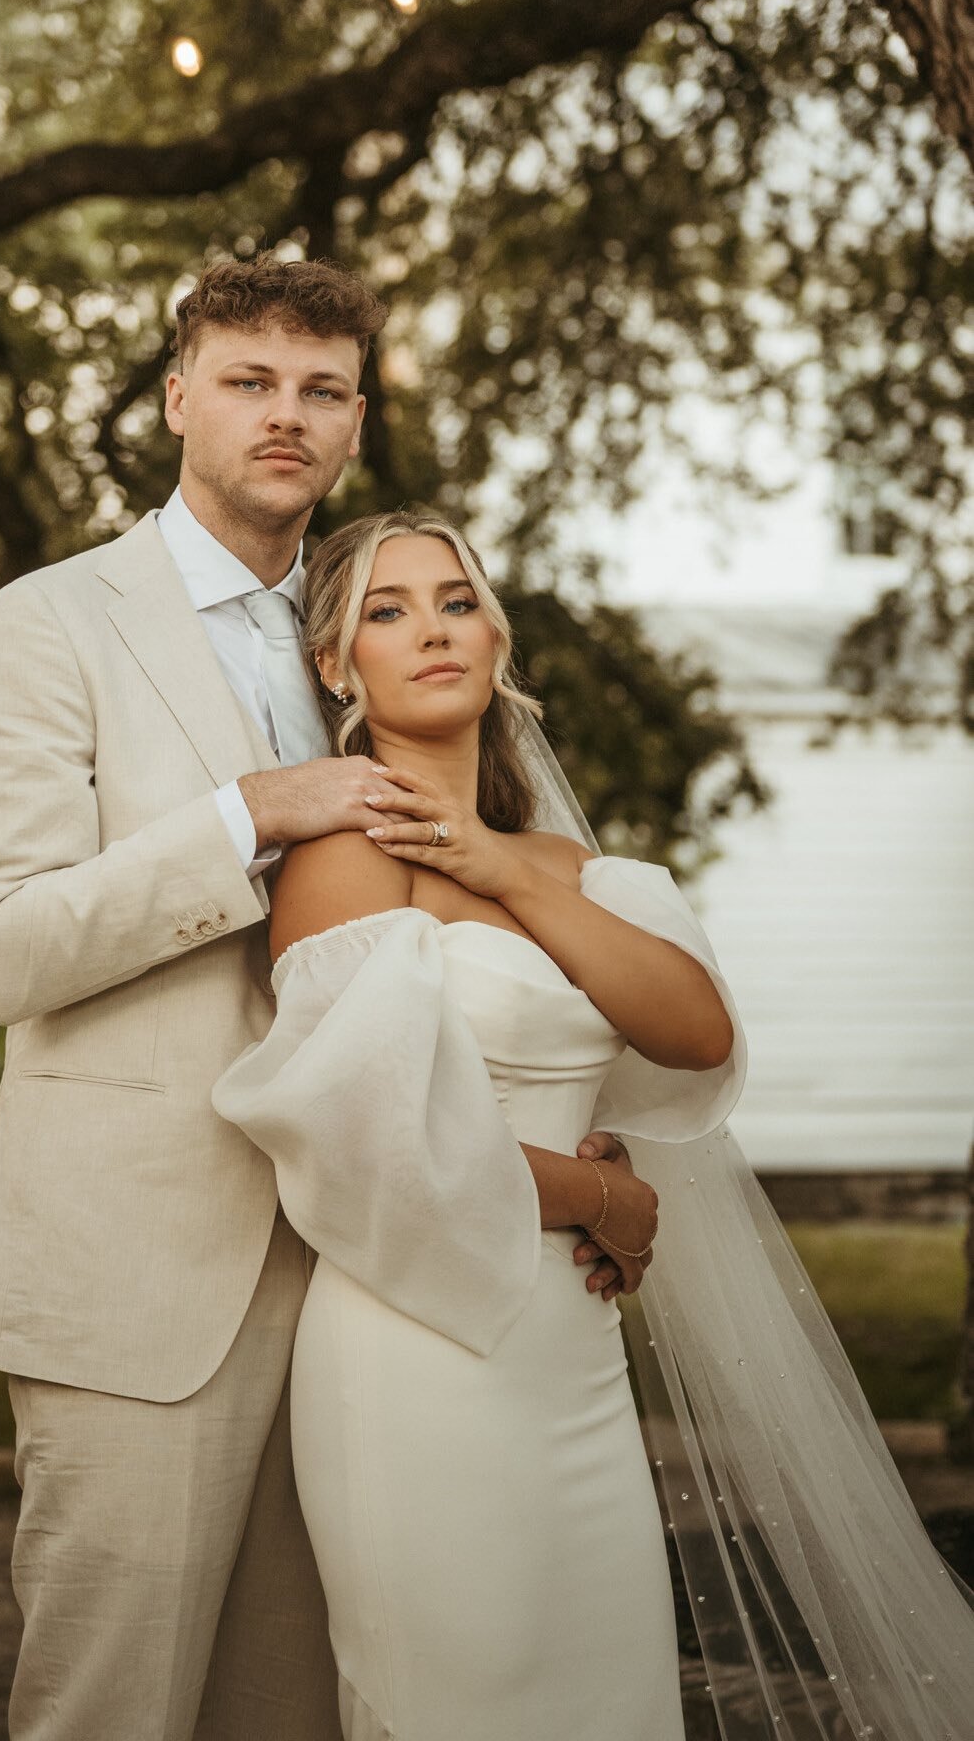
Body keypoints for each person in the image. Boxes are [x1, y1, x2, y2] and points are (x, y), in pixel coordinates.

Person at [0, 255, 640, 1741]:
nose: (286, 416)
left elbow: (469, 929)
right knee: (112, 1715)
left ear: (355, 421)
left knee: (305, 1714)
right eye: (250, 381)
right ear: (179, 397)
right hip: (147, 1279)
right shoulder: (48, 624)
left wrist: (567, 1147)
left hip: (368, 1293)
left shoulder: (373, 627)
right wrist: (246, 812)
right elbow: (4, 950)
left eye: (321, 391)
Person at [212, 508, 974, 1741]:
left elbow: (695, 1032)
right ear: (336, 666)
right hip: (421, 1343)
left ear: (496, 635)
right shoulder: (345, 859)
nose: (430, 629)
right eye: (384, 611)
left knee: (603, 1691)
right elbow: (369, 1138)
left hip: (569, 1360)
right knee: (461, 1693)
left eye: (453, 599)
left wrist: (499, 862)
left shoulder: (564, 869)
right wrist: (600, 1196)